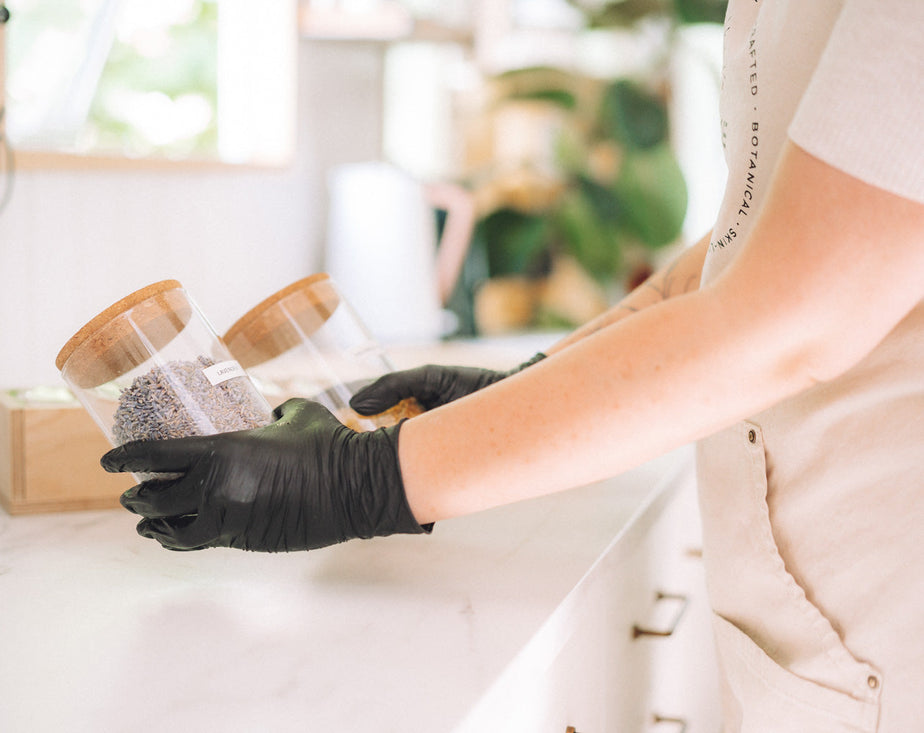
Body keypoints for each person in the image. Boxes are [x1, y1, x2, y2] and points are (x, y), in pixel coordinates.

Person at [100, 0, 924, 729]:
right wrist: (532, 376)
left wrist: (363, 479)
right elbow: (755, 240)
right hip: (814, 626)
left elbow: (798, 313)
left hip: (884, 623)